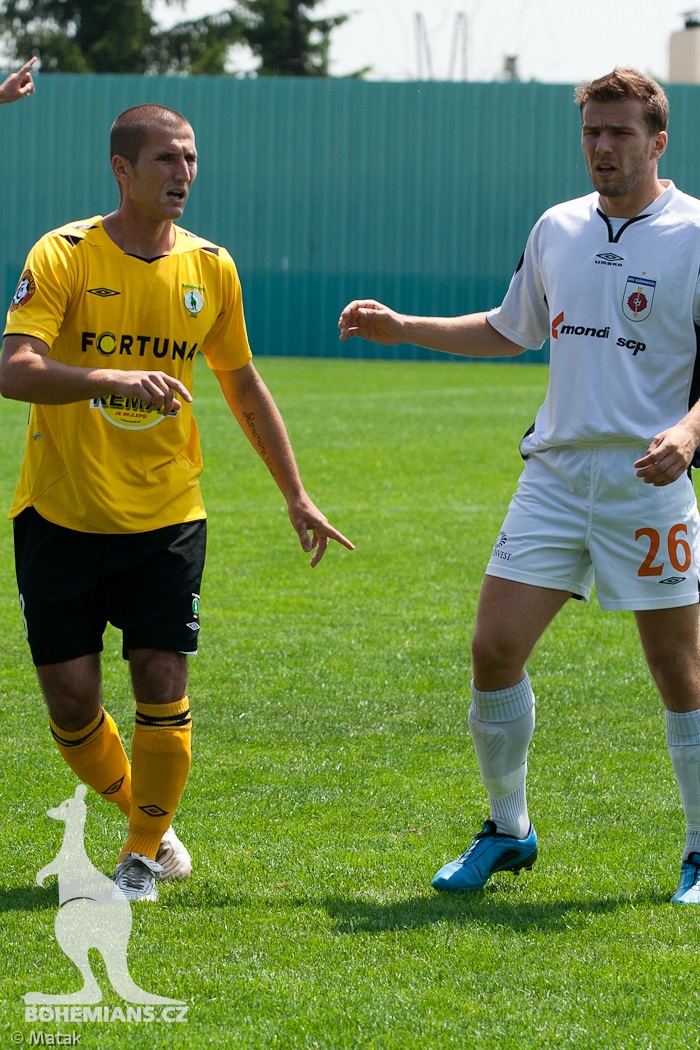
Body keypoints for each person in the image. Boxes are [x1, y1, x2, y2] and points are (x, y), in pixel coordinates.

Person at [339, 67, 700, 904]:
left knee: (678, 669)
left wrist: (686, 433)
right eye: (591, 133)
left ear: (658, 139)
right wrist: (406, 328)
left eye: (619, 133)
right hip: (557, 474)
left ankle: (697, 849)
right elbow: (512, 328)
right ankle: (509, 830)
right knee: (493, 649)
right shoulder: (558, 227)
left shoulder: (691, 233)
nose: (602, 148)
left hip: (649, 478)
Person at [0, 103, 353, 902]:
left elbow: (243, 386)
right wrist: (111, 377)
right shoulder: (63, 256)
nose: (183, 174)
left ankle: (137, 853)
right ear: (122, 170)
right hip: (59, 513)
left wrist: (296, 493)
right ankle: (146, 816)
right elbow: (15, 370)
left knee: (162, 674)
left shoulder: (211, 268)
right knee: (72, 702)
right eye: (165, 160)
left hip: (167, 516)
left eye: (190, 158)